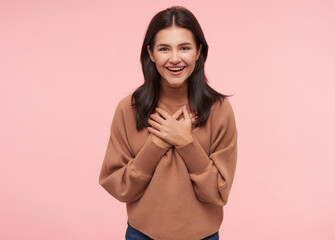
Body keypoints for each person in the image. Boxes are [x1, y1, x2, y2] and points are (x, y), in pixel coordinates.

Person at [99, 6, 237, 240]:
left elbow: (218, 193)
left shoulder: (219, 109)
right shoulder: (128, 109)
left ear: (198, 51)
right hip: (142, 235)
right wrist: (156, 144)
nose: (175, 58)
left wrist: (186, 143)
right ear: (151, 53)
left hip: (203, 236)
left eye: (184, 47)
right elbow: (119, 186)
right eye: (164, 48)